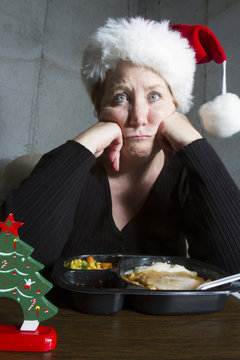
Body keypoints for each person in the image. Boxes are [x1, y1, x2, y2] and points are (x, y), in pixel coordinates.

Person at [0, 17, 240, 274]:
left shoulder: (187, 176)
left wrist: (195, 144)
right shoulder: (67, 169)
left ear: (176, 107)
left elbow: (232, 271)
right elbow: (11, 263)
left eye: (154, 96)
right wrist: (85, 143)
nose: (139, 117)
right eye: (121, 97)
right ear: (99, 108)